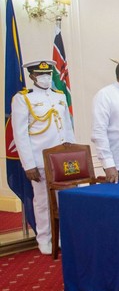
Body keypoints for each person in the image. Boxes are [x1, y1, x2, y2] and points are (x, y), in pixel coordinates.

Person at [10, 60, 75, 254]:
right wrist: (28, 164)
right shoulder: (23, 99)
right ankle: (45, 238)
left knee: (64, 199)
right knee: (43, 201)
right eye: (41, 75)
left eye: (48, 75)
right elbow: (20, 134)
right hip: (39, 158)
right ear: (32, 77)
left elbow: (67, 127)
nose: (46, 78)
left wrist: (73, 154)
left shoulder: (60, 96)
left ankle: (64, 236)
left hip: (63, 159)